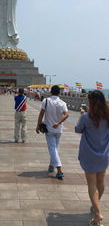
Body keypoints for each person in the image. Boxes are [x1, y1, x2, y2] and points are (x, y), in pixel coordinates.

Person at [75, 90, 109, 226]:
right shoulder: (107, 116)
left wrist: (82, 114)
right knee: (100, 182)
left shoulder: (86, 117)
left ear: (91, 101)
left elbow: (78, 129)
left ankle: (97, 214)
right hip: (104, 154)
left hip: (89, 155)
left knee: (92, 185)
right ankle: (96, 206)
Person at [36, 85, 69, 179]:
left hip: (49, 129)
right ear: (59, 93)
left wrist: (38, 125)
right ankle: (51, 166)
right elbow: (66, 115)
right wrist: (58, 123)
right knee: (55, 149)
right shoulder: (62, 103)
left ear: (51, 92)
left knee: (53, 149)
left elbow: (41, 113)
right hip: (58, 129)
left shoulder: (46, 101)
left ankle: (59, 169)